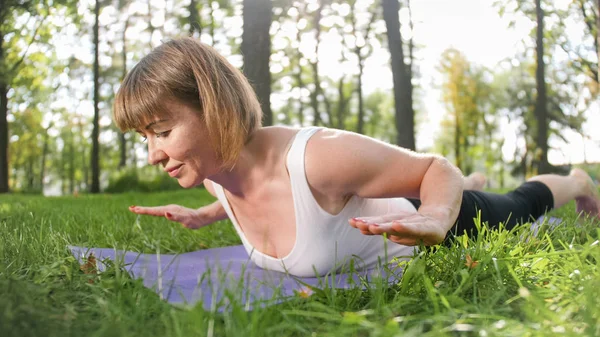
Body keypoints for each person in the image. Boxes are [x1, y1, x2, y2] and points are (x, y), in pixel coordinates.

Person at [114, 37, 600, 277]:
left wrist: (435, 215)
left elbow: (435, 168)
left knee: (515, 205)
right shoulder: (214, 171)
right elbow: (243, 192)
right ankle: (464, 184)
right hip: (392, 201)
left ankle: (575, 180)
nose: (154, 154)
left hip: (431, 223)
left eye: (161, 131)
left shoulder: (318, 159)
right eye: (145, 137)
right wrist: (203, 215)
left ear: (214, 106)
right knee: (445, 184)